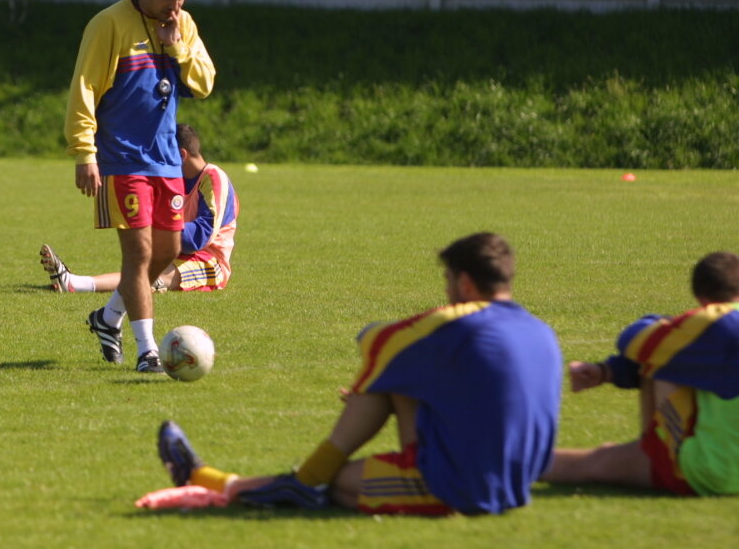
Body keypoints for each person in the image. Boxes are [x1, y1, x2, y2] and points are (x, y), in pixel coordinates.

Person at [155, 233, 563, 516]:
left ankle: (253, 482)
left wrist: (372, 378)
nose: (447, 292)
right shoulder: (540, 331)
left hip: (461, 489)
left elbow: (378, 338)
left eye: (448, 281)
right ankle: (282, 483)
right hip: (515, 479)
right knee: (400, 374)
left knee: (331, 481)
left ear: (466, 282)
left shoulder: (458, 320)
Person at [64, 0, 215, 372]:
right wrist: (84, 151)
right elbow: (84, 89)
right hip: (121, 157)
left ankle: (108, 317)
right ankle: (147, 351)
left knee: (168, 251)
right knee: (139, 254)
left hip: (165, 158)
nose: (175, 6)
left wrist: (177, 47)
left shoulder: (183, 25)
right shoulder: (108, 24)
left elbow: (204, 84)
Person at [542, 251, 739, 497]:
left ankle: (649, 451)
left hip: (715, 472)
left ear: (702, 298)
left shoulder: (720, 322)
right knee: (680, 353)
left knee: (661, 355)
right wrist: (608, 371)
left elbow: (633, 339)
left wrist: (666, 323)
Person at [41, 124, 238, 294]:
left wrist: (159, 229)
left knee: (152, 277)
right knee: (140, 271)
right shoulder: (174, 179)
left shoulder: (213, 178)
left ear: (181, 155)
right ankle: (73, 282)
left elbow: (201, 236)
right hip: (175, 252)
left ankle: (75, 283)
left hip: (210, 261)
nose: (160, 162)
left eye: (163, 156)